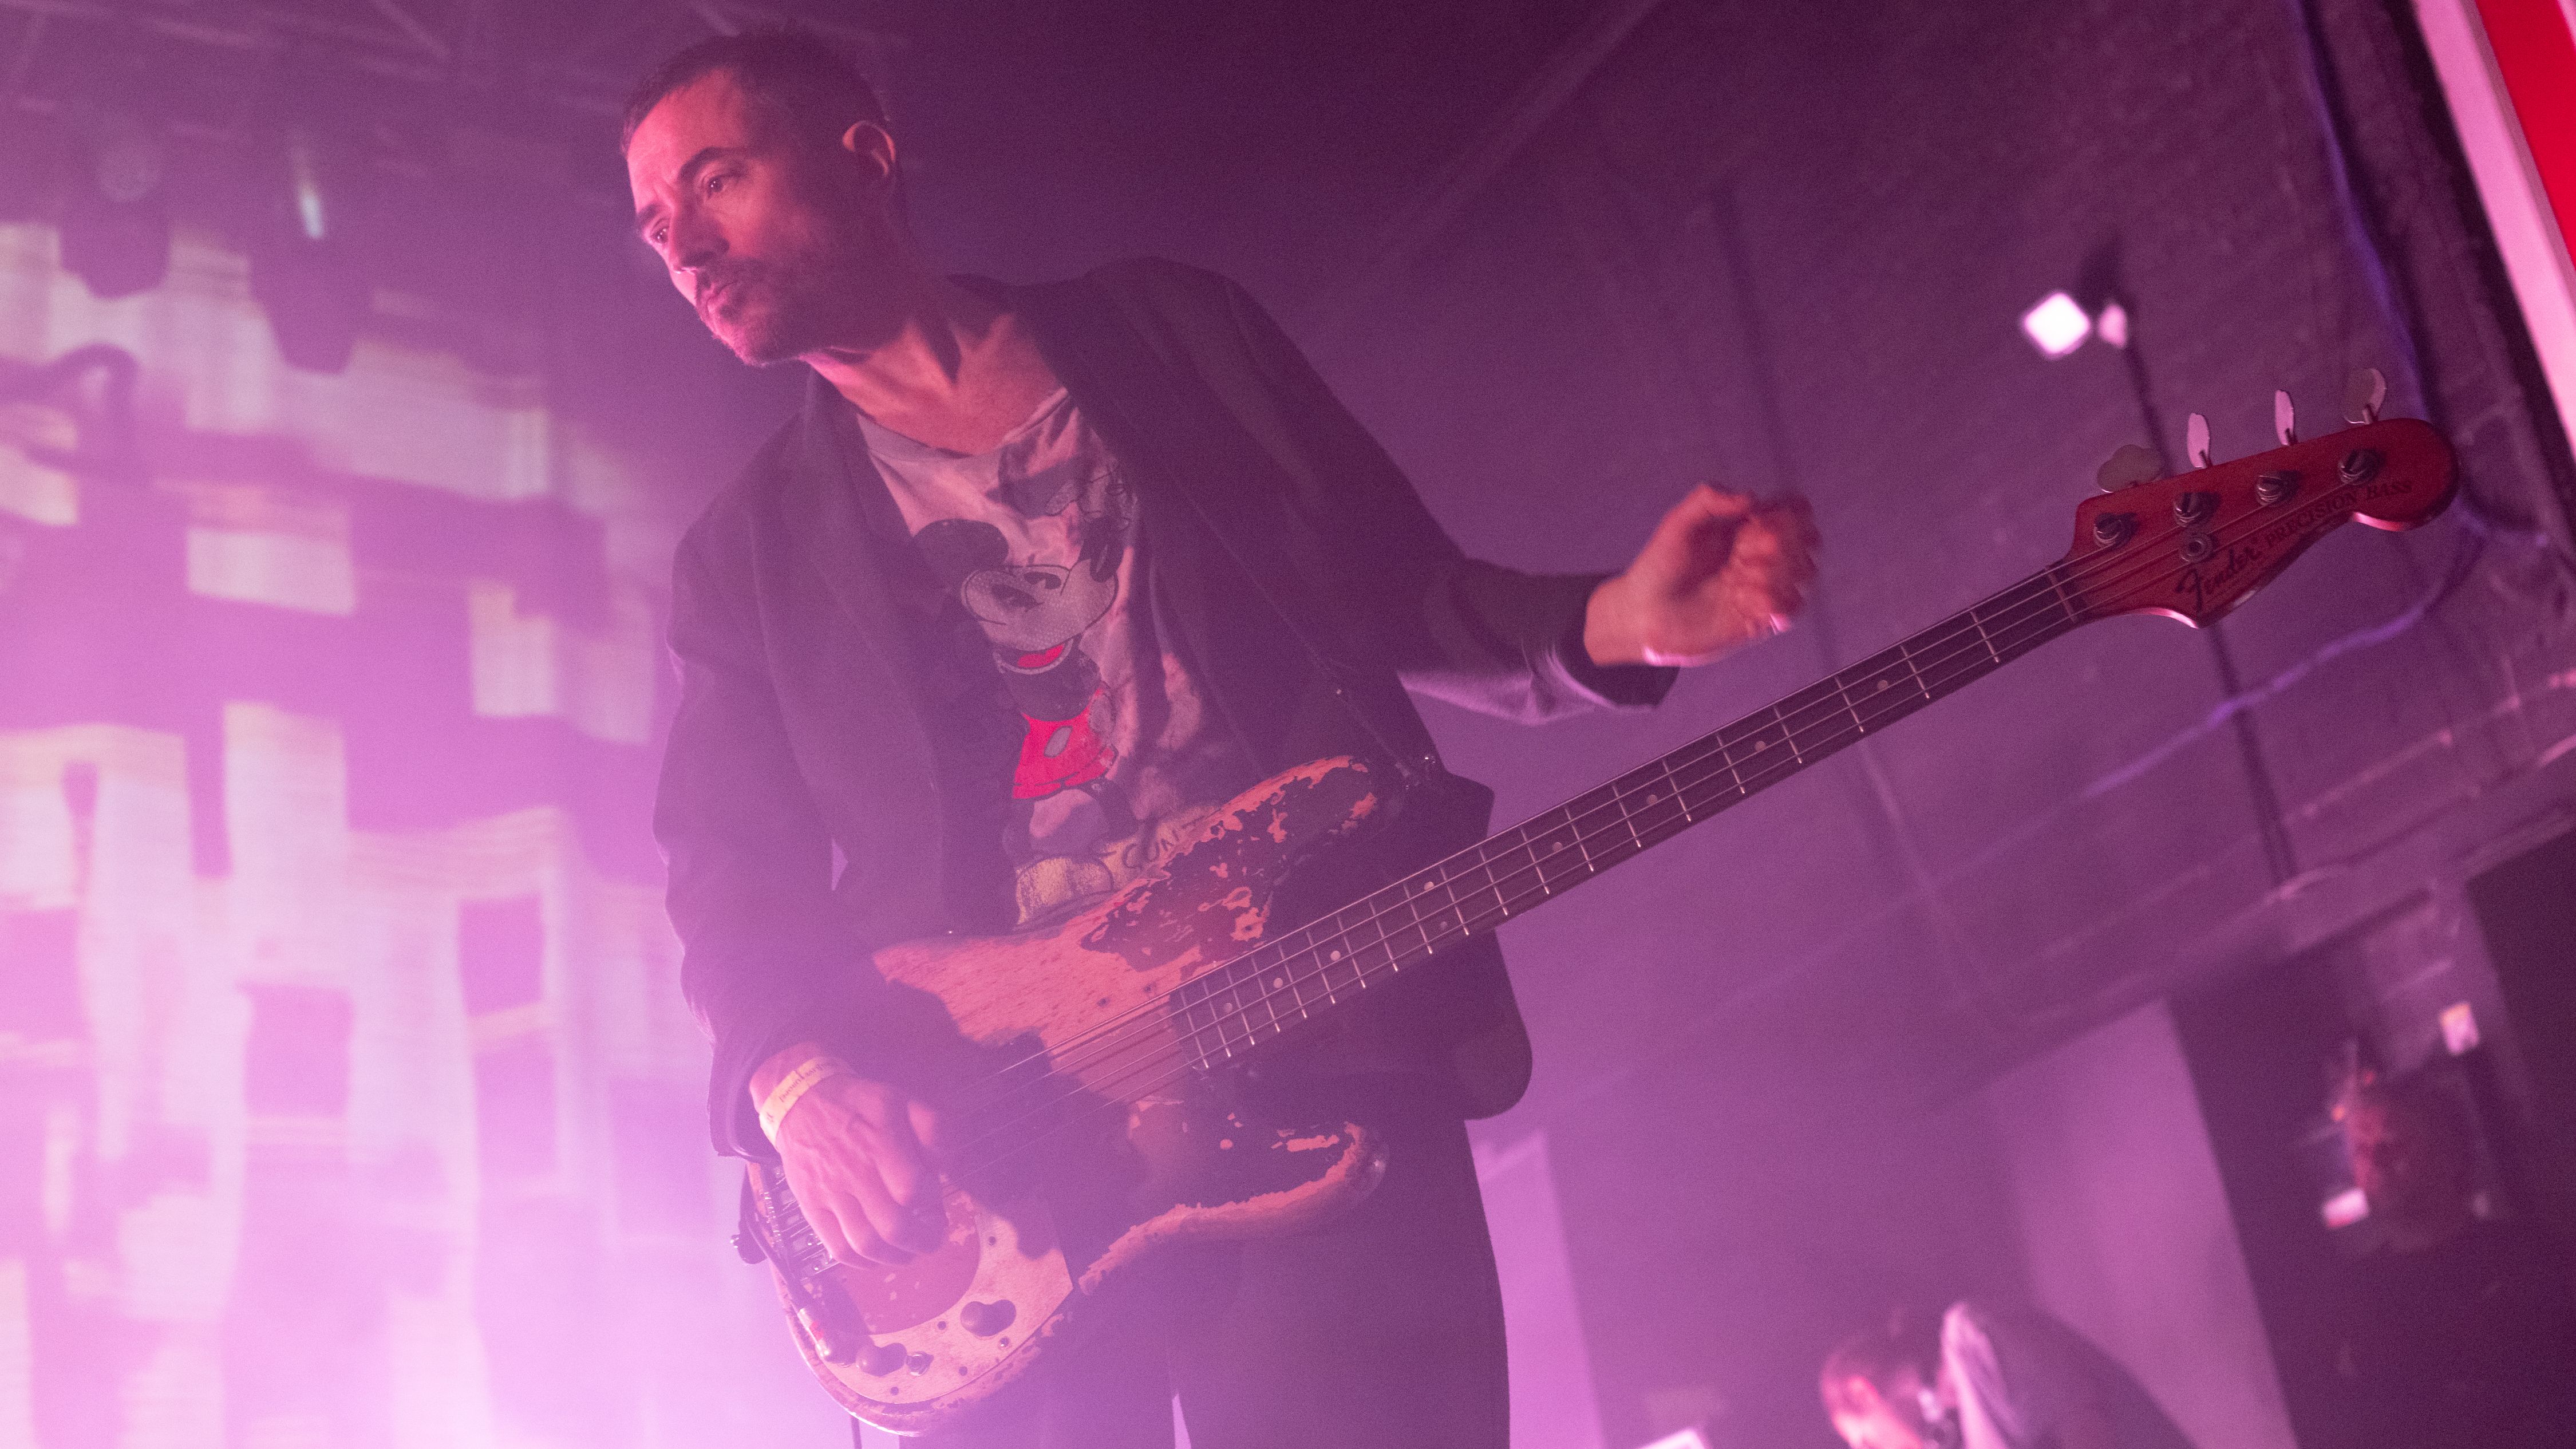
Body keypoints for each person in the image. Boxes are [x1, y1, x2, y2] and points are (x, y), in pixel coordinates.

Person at [624, 26, 1817, 1449]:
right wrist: (799, 1081)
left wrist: (1619, 617)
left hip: (1317, 1026)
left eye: (715, 181)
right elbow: (725, 866)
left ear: (862, 155)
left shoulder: (1174, 337)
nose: (682, 243)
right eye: (651, 223)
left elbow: (1383, 590)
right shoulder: (743, 556)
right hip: (1010, 1147)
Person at [2327, 1072, 2576, 1448]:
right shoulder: (2351, 1300)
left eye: (2393, 1142)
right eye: (2361, 1149)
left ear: (2449, 1150)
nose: (2376, 1160)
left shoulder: (2533, 1260)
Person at [1819, 1303, 2196, 1449]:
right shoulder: (1954, 1428)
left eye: (1866, 1442)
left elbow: (2090, 1435)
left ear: (1864, 1393)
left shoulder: (1972, 1338)